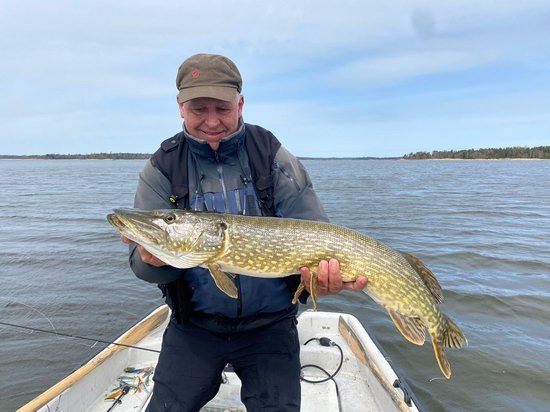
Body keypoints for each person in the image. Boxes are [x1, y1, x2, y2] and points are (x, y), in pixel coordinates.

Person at [122, 53, 367, 412]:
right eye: (198, 109)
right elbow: (140, 266)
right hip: (195, 328)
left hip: (271, 328)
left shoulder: (273, 157)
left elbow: (317, 234)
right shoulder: (162, 166)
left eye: (221, 108)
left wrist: (319, 280)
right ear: (180, 107)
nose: (211, 122)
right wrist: (152, 260)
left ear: (240, 104)